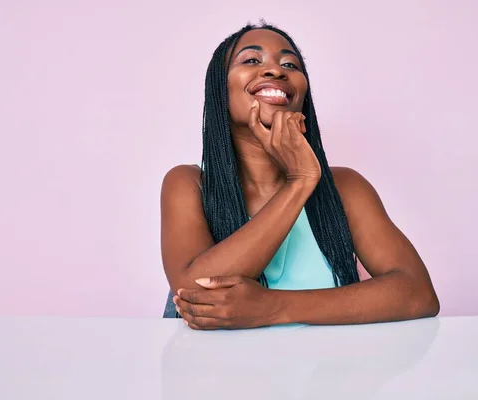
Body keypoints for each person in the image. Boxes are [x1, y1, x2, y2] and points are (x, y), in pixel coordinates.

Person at [160, 21, 439, 330]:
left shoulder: (346, 187)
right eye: (251, 60)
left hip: (321, 374)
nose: (276, 71)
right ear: (220, 91)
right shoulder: (189, 184)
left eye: (290, 64)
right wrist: (300, 182)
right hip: (221, 375)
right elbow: (195, 297)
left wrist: (274, 307)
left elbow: (418, 294)